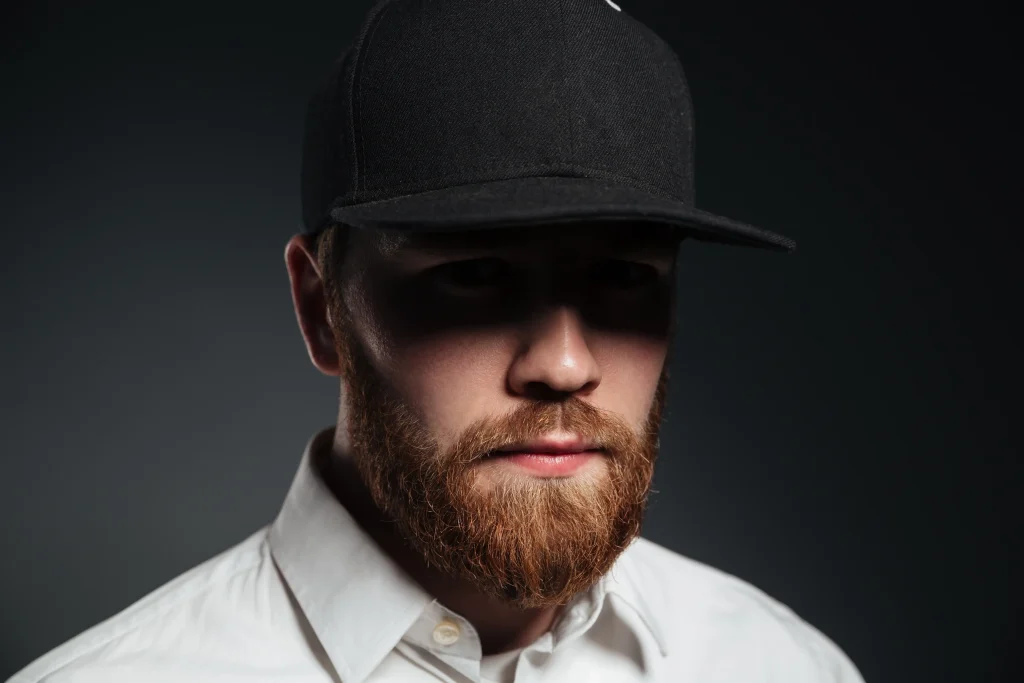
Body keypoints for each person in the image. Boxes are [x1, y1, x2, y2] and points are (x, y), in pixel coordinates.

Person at [8, 0, 865, 681]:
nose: (565, 364)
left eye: (623, 278)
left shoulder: (784, 664)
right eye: (475, 275)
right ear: (321, 308)